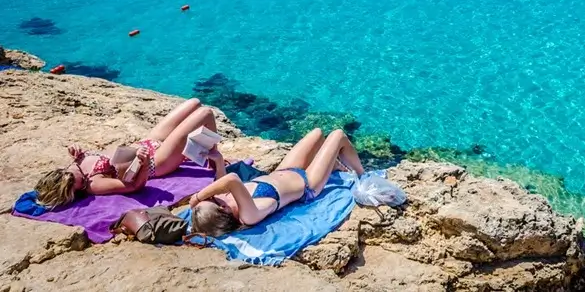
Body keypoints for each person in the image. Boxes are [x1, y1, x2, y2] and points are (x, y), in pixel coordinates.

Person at [35, 99, 223, 208]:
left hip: (148, 142)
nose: (78, 180)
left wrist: (78, 152)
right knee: (205, 113)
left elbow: (87, 162)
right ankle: (214, 158)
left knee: (194, 103)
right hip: (158, 161)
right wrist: (144, 160)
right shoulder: (93, 185)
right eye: (75, 186)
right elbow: (134, 186)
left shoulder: (74, 165)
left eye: (71, 177)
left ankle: (206, 151)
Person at [190, 128, 364, 236]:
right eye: (213, 200)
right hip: (308, 184)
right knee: (338, 135)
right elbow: (232, 179)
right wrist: (198, 197)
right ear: (223, 209)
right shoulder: (249, 215)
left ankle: (332, 165)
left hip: (284, 170)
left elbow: (223, 180)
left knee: (317, 134)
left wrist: (219, 160)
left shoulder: (228, 200)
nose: (214, 196)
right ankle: (363, 175)